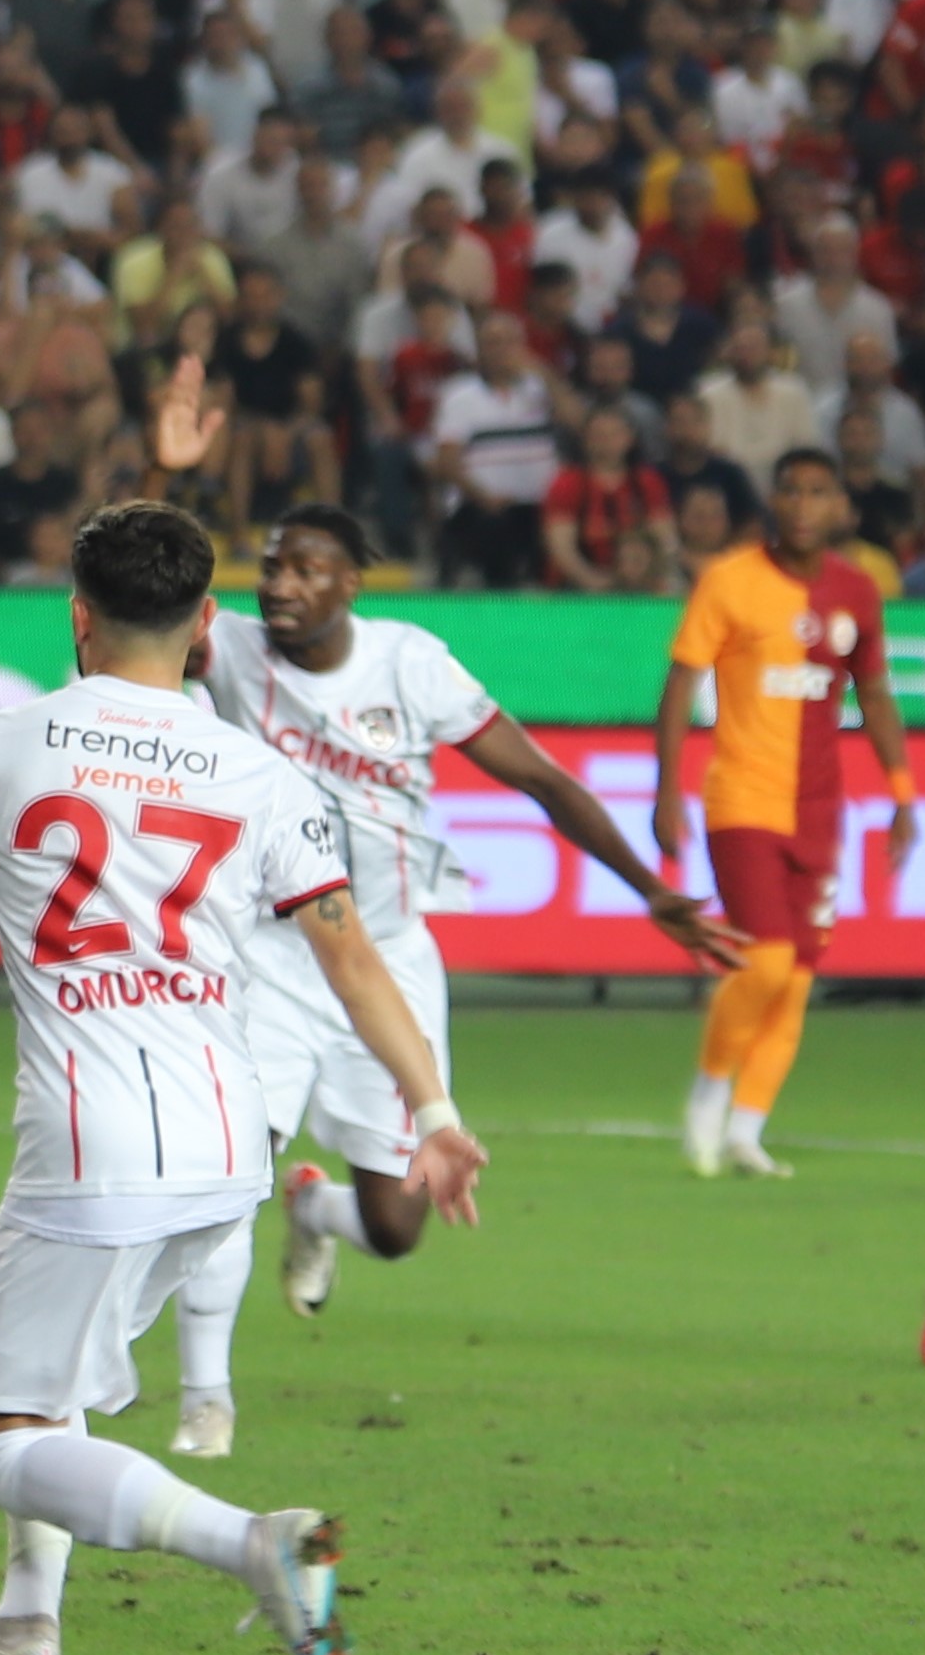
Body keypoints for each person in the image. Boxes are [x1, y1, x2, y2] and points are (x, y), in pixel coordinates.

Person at [0, 499, 486, 1655]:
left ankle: (254, 1543)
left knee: (0, 1443)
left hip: (88, 1144)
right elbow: (354, 958)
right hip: (230, 1139)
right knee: (63, 1385)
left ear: (76, 616)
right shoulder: (263, 770)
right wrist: (434, 1112)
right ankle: (27, 1625)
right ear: (205, 632)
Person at [196, 492, 729, 1397]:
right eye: (273, 566)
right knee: (226, 1171)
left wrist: (650, 891)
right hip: (269, 954)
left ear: (352, 584)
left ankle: (318, 1212)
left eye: (305, 568)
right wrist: (165, 469)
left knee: (397, 1231)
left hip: (389, 956)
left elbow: (541, 780)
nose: (280, 585)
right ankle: (206, 1399)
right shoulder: (231, 652)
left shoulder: (412, 665)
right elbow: (132, 580)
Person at [654, 443, 919, 1178]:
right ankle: (708, 1094)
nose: (804, 505)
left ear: (841, 507)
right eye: (791, 491)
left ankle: (747, 1129)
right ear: (773, 502)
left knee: (798, 980)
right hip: (741, 798)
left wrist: (902, 796)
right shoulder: (729, 583)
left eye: (818, 492)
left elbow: (875, 694)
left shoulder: (857, 592)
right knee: (766, 963)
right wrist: (666, 787)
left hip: (819, 811)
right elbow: (679, 686)